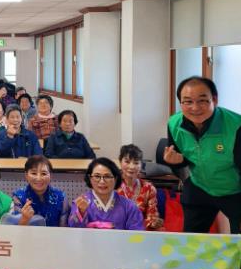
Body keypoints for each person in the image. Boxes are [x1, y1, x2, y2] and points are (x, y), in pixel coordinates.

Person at [163, 76, 241, 235]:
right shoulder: (174, 124)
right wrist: (175, 162)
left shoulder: (236, 126)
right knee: (192, 240)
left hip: (234, 190)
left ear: (215, 100)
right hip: (200, 186)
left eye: (202, 100)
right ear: (181, 103)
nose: (195, 107)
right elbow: (182, 160)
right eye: (188, 101)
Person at [68, 158, 144, 230]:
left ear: (116, 178)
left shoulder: (129, 207)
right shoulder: (79, 204)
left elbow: (137, 235)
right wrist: (81, 212)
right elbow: (73, 233)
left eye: (107, 176)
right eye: (97, 176)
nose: (102, 181)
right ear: (90, 178)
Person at [4, 156, 69, 227]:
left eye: (43, 174)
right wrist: (24, 219)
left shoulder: (61, 197)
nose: (38, 178)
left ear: (50, 175)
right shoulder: (18, 197)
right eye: (34, 173)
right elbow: (15, 230)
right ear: (26, 175)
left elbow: (64, 229)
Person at [117, 144, 163, 231]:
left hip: (140, 232)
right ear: (120, 162)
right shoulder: (113, 187)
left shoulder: (149, 188)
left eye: (136, 163)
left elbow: (152, 217)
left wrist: (155, 222)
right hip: (116, 231)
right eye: (127, 162)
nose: (131, 167)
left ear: (141, 165)